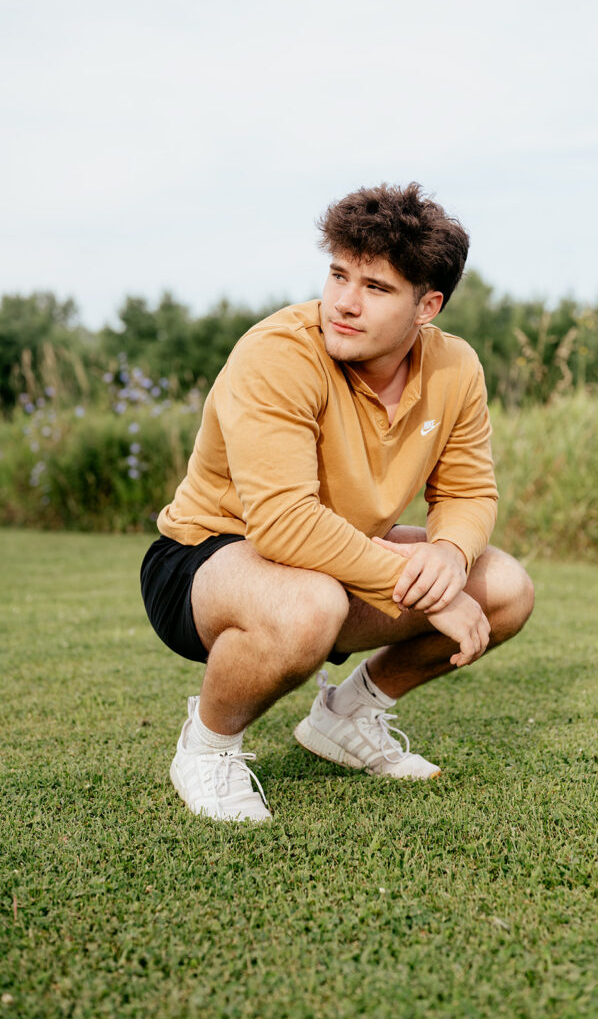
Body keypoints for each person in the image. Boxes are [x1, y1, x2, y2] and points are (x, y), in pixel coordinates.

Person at [140, 182, 534, 823]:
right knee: (308, 604)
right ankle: (207, 749)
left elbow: (467, 491)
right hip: (206, 558)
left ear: (426, 306)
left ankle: (346, 718)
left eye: (376, 288)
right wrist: (421, 581)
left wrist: (453, 557)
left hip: (335, 556)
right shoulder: (278, 354)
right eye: (338, 275)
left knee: (506, 585)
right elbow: (282, 523)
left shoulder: (455, 368)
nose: (344, 304)